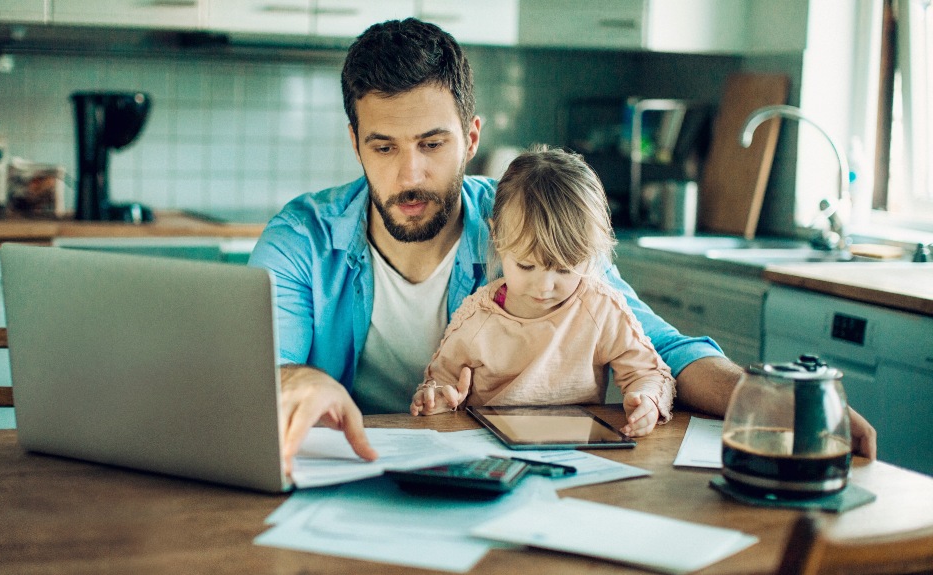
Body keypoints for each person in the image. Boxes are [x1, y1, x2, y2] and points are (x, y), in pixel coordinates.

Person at [247, 18, 877, 471]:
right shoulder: (303, 237)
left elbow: (663, 348)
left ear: (470, 138)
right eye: (383, 147)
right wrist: (296, 380)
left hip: (508, 482)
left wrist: (768, 402)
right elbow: (263, 369)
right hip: (352, 476)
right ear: (355, 142)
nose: (409, 174)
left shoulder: (530, 219)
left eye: (432, 144)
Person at [410, 146, 674, 438]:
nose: (545, 287)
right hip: (489, 446)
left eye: (564, 269)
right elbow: (438, 381)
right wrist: (437, 398)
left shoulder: (600, 308)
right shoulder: (477, 317)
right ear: (497, 237)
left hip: (574, 449)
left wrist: (647, 400)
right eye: (525, 266)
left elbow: (649, 373)